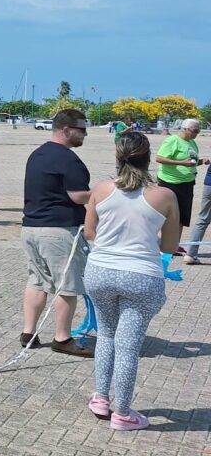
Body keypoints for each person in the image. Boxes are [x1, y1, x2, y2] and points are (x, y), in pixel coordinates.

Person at [82, 132, 181, 431]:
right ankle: (123, 412)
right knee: (127, 345)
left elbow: (90, 232)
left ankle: (101, 397)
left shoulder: (100, 188)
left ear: (118, 156)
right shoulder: (165, 195)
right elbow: (169, 246)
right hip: (141, 275)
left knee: (107, 335)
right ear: (149, 157)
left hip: (100, 271)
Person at [19, 109, 94, 357]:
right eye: (81, 129)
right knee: (68, 285)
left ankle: (28, 332)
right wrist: (103, 194)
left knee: (37, 281)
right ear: (66, 130)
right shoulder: (67, 159)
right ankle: (62, 338)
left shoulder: (36, 154)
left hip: (31, 228)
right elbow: (77, 195)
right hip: (58, 231)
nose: (85, 134)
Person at [155, 119, 209, 249]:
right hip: (170, 182)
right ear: (184, 129)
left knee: (182, 216)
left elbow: (191, 161)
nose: (196, 133)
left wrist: (202, 161)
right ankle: (164, 243)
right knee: (168, 215)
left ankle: (175, 244)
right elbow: (159, 158)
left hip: (187, 183)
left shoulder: (192, 143)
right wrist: (181, 163)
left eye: (198, 131)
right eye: (194, 131)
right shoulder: (172, 140)